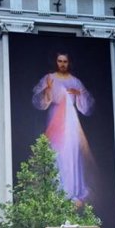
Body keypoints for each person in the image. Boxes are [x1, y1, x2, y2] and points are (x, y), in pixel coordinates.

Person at [32, 52, 95, 204]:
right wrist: (47, 90)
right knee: (56, 153)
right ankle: (57, 190)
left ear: (69, 63)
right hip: (55, 120)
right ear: (55, 62)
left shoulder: (75, 81)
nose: (62, 64)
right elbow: (38, 101)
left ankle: (72, 191)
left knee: (72, 153)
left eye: (65, 61)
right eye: (60, 61)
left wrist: (79, 94)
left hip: (71, 121)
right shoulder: (50, 78)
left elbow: (87, 105)